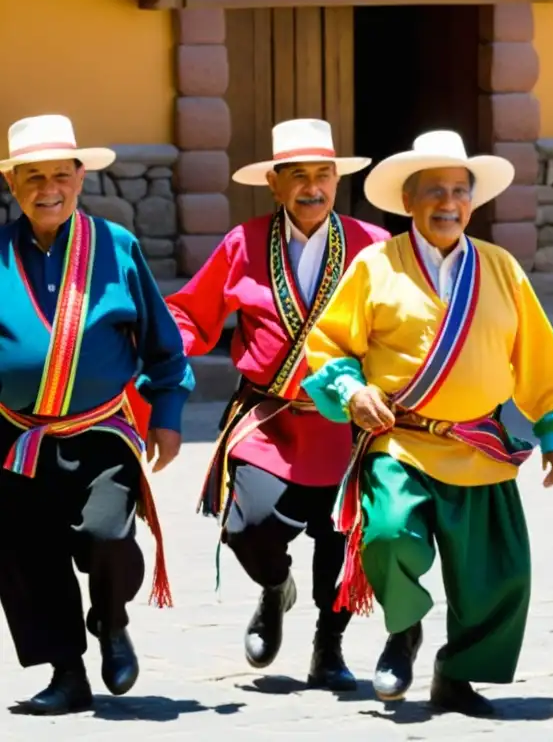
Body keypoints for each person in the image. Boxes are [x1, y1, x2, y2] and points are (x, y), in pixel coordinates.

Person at [302, 130, 553, 717]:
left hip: (479, 444)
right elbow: (329, 345)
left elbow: (538, 357)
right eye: (434, 192)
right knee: (389, 533)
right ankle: (404, 631)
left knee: (500, 574)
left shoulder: (500, 268)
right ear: (408, 201)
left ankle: (457, 676)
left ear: (472, 203)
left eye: (459, 191)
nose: (448, 203)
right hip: (400, 442)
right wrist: (351, 389)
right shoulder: (375, 266)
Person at [165, 119, 390, 689]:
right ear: (274, 182)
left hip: (347, 424)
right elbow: (193, 313)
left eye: (323, 174)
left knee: (341, 537)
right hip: (269, 420)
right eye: (298, 176)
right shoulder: (243, 242)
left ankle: (329, 646)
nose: (312, 187)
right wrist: (144, 342)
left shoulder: (374, 245)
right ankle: (273, 587)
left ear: (337, 178)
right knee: (248, 526)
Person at [0, 115, 194, 714]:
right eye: (33, 176)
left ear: (81, 177)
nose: (48, 187)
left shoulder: (117, 246)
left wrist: (167, 409)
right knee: (29, 554)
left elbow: (164, 343)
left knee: (107, 536)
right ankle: (65, 673)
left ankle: (111, 621)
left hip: (102, 429)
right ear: (13, 182)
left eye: (61, 173)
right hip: (15, 437)